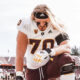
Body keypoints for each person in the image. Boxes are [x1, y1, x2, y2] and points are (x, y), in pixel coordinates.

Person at [15, 4, 75, 80]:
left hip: (51, 63)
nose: (42, 24)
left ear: (50, 19)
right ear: (34, 18)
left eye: (45, 21)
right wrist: (19, 74)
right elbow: (20, 54)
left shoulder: (56, 24)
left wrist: (49, 51)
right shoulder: (26, 25)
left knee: (66, 58)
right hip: (33, 68)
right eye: (39, 22)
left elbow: (66, 47)